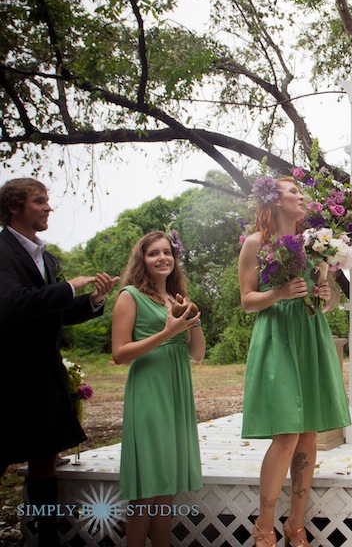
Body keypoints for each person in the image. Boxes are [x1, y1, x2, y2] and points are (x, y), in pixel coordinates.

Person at [0, 178, 117, 547]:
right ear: (14, 208)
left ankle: (47, 538)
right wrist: (70, 286)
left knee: (45, 461)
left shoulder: (46, 257)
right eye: (39, 201)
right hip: (6, 378)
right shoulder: (1, 250)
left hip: (44, 377)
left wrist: (93, 300)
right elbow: (13, 303)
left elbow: (58, 313)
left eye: (47, 201)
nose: (48, 207)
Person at [238, 176, 351, 547]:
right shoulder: (255, 243)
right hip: (278, 337)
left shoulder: (313, 244)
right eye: (294, 192)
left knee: (308, 435)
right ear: (274, 200)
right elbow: (247, 300)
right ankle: (265, 526)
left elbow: (330, 299)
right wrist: (282, 292)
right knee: (286, 432)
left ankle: (296, 525)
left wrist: (324, 293)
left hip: (310, 334)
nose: (301, 197)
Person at [111, 230, 206, 546]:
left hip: (177, 392)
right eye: (154, 253)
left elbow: (197, 354)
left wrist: (192, 321)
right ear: (143, 259)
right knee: (146, 490)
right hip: (149, 394)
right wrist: (168, 332)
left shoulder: (176, 300)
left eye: (167, 252)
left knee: (166, 486)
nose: (162, 258)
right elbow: (120, 353)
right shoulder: (130, 296)